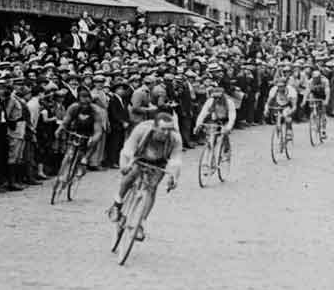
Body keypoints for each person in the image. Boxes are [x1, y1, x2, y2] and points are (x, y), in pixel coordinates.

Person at [107, 111, 181, 239]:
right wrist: (126, 166)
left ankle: (140, 224)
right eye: (163, 129)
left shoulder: (175, 138)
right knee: (130, 176)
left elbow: (176, 161)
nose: (166, 133)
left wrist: (174, 177)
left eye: (169, 129)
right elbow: (127, 150)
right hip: (138, 157)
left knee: (152, 189)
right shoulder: (142, 130)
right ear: (155, 127)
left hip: (159, 162)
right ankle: (117, 204)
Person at [54, 86, 104, 181]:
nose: (84, 105)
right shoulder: (73, 107)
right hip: (76, 129)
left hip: (89, 131)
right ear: (78, 102)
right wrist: (59, 129)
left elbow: (98, 131)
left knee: (93, 143)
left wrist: (94, 139)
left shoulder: (95, 111)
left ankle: (85, 160)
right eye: (82, 103)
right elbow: (66, 121)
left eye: (87, 103)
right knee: (70, 150)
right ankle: (66, 166)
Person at [194, 81, 236, 157]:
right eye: (215, 98)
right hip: (215, 120)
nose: (217, 100)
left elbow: (232, 116)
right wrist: (198, 125)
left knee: (224, 132)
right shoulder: (210, 101)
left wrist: (229, 127)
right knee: (210, 135)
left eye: (218, 98)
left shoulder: (229, 102)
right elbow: (202, 114)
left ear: (223, 96)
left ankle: (226, 148)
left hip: (225, 120)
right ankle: (210, 151)